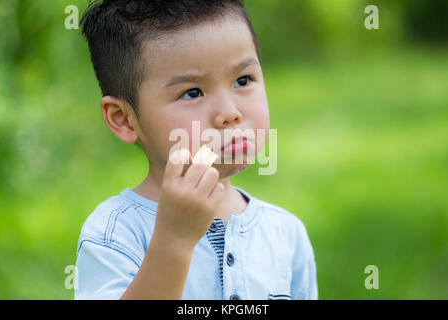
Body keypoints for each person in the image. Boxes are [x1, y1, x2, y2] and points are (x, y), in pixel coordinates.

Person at [74, 0, 318, 300]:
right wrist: (173, 242)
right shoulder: (114, 234)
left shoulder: (287, 235)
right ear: (124, 118)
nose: (229, 113)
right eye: (192, 92)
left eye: (243, 80)